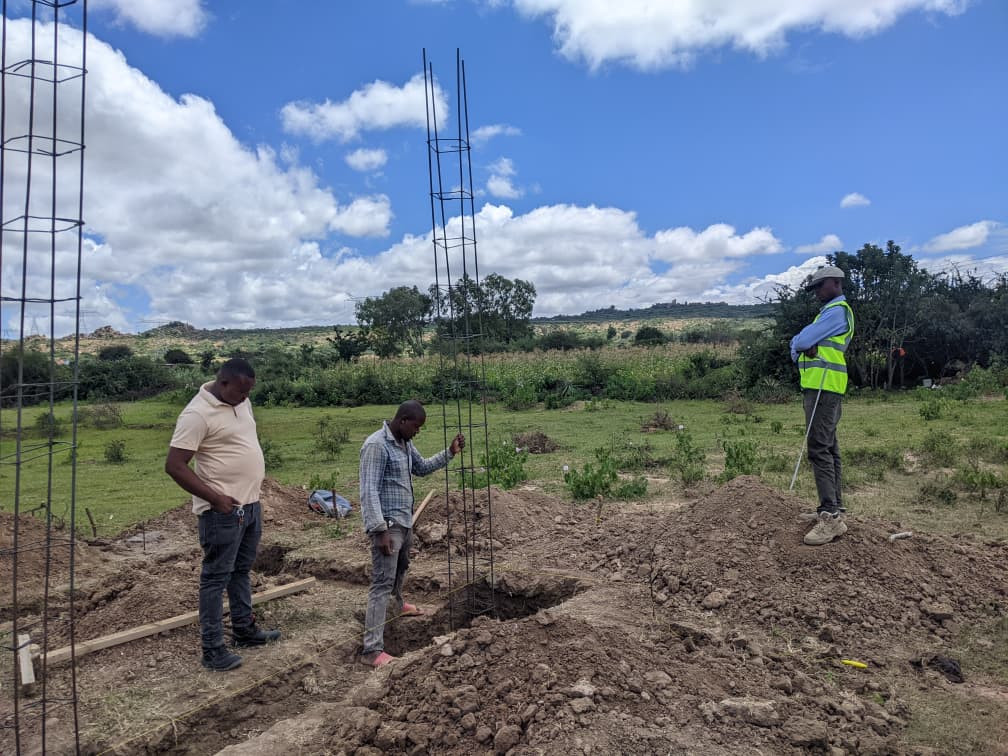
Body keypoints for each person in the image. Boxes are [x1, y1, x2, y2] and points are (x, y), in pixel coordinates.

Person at [165, 358, 280, 671]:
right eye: (241, 391)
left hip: (250, 506)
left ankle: (244, 630)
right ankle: (213, 650)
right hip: (222, 512)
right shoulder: (197, 414)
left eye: (249, 392)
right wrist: (215, 498)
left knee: (241, 571)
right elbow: (174, 466)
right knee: (215, 579)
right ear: (223, 382)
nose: (245, 397)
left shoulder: (241, 401)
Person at [359, 400, 464, 667]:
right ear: (403, 420)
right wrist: (379, 530)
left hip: (404, 522)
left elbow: (422, 467)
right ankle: (372, 650)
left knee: (401, 567)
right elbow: (369, 491)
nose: (418, 432)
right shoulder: (376, 445)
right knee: (382, 583)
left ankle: (397, 605)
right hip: (388, 524)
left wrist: (450, 452)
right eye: (416, 427)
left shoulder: (404, 443)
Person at [790, 265, 856, 546]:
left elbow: (802, 340)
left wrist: (801, 343)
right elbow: (797, 346)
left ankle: (830, 516)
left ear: (835, 283)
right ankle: (834, 509)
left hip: (824, 386)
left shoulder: (836, 311)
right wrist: (799, 344)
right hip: (823, 386)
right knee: (829, 447)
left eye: (819, 286)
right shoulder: (827, 313)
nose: (816, 292)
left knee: (819, 447)